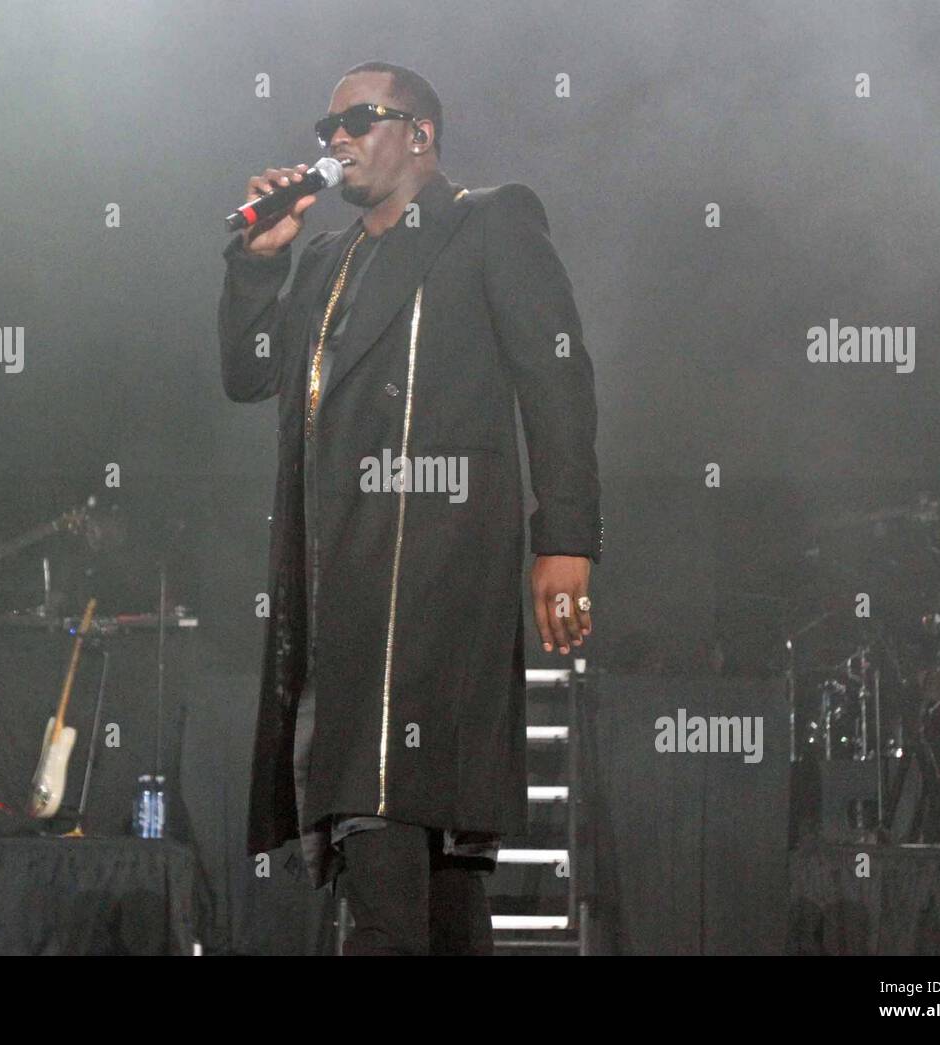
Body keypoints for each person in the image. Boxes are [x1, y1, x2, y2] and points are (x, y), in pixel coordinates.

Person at [217, 62, 602, 954]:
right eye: (328, 125)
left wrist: (567, 537)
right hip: (340, 582)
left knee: (390, 811)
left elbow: (557, 376)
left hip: (439, 568)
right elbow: (248, 373)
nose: (336, 138)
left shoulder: (486, 220)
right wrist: (256, 262)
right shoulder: (323, 261)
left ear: (421, 133)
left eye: (360, 118)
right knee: (427, 857)